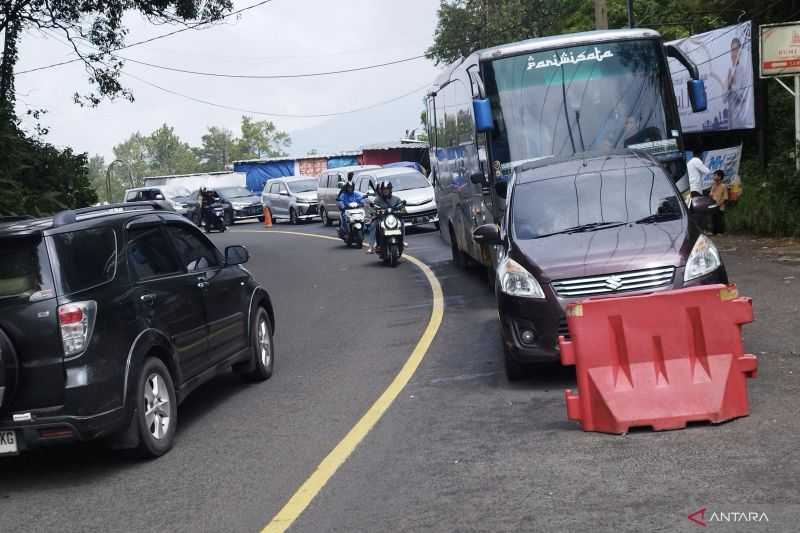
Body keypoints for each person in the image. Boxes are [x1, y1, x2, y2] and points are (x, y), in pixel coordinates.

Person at [727, 36, 753, 130]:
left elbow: (742, 97)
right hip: (731, 122)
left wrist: (732, 85)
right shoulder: (730, 70)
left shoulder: (744, 70)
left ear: (740, 52)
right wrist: (729, 85)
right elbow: (723, 99)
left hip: (741, 122)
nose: (733, 54)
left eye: (735, 50)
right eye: (732, 50)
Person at [709, 169, 729, 235]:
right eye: (714, 175)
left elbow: (725, 197)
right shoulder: (713, 185)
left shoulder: (724, 186)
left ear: (720, 177)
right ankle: (714, 232)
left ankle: (720, 232)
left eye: (715, 175)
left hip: (720, 205)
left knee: (719, 219)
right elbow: (711, 194)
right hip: (714, 205)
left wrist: (719, 203)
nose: (714, 177)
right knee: (713, 219)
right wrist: (711, 192)